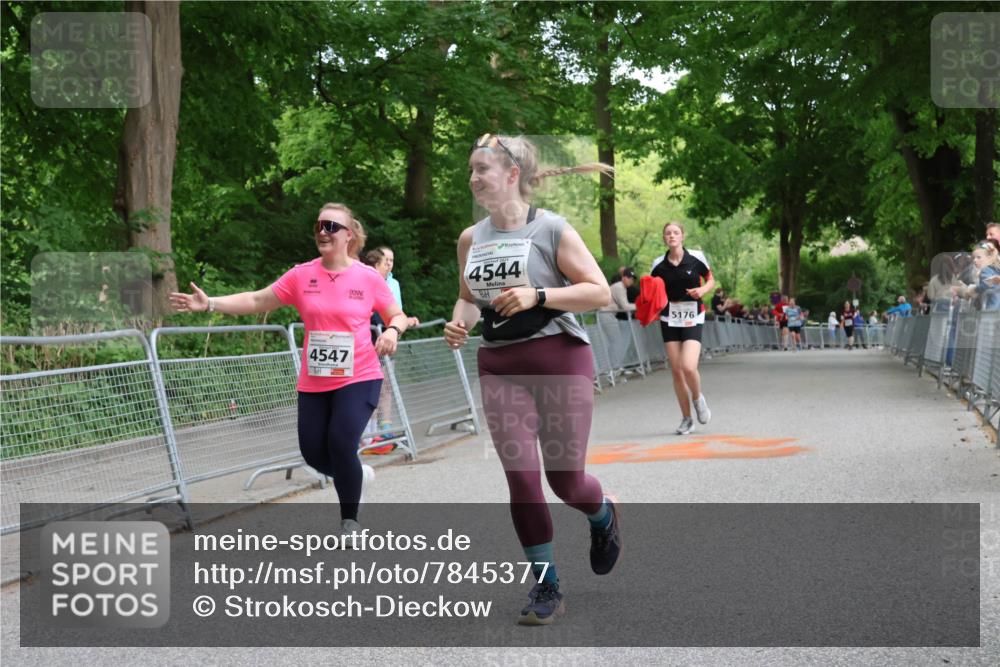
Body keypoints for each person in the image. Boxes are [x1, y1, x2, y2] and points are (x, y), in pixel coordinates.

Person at [443, 133, 620, 626]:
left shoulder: (552, 229)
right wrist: (460, 321)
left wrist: (538, 295)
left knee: (566, 482)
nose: (473, 178)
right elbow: (467, 297)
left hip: (559, 359)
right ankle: (547, 587)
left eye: (482, 169)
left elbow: (598, 292)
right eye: (471, 171)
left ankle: (602, 514)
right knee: (521, 479)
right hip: (500, 364)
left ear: (512, 174)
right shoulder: (470, 238)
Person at [170, 203, 410, 537]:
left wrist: (391, 331)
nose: (322, 232)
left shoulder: (367, 277)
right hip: (315, 381)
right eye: (318, 227)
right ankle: (355, 475)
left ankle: (350, 522)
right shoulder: (302, 274)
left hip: (359, 374)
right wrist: (210, 303)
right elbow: (257, 300)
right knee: (313, 452)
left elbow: (396, 314)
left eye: (331, 226)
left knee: (341, 441)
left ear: (348, 236)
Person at [651, 221, 716, 435]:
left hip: (693, 315)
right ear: (664, 238)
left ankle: (698, 399)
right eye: (668, 233)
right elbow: (652, 293)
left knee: (689, 366)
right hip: (669, 318)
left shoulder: (696, 257)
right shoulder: (658, 264)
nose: (672, 236)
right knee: (677, 370)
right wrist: (650, 309)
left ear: (682, 236)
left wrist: (702, 290)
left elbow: (710, 280)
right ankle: (687, 419)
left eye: (675, 232)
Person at [952, 240, 1000, 311]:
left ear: (988, 257)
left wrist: (975, 289)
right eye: (973, 258)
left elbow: (986, 285)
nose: (974, 260)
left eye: (978, 257)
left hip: (991, 307)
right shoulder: (996, 269)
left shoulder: (985, 270)